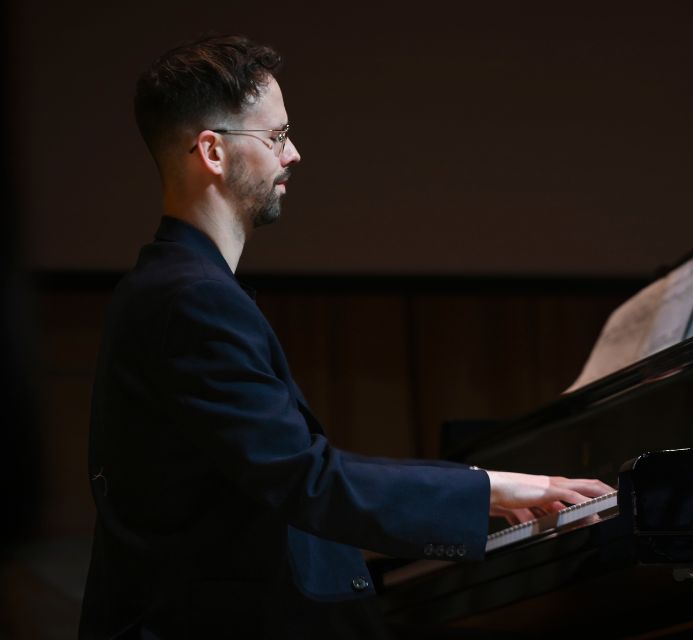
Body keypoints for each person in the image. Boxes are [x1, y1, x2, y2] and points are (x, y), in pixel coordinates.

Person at [79, 34, 612, 639]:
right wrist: (490, 488)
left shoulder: (174, 286)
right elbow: (306, 480)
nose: (294, 154)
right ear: (213, 151)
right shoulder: (190, 298)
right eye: (276, 136)